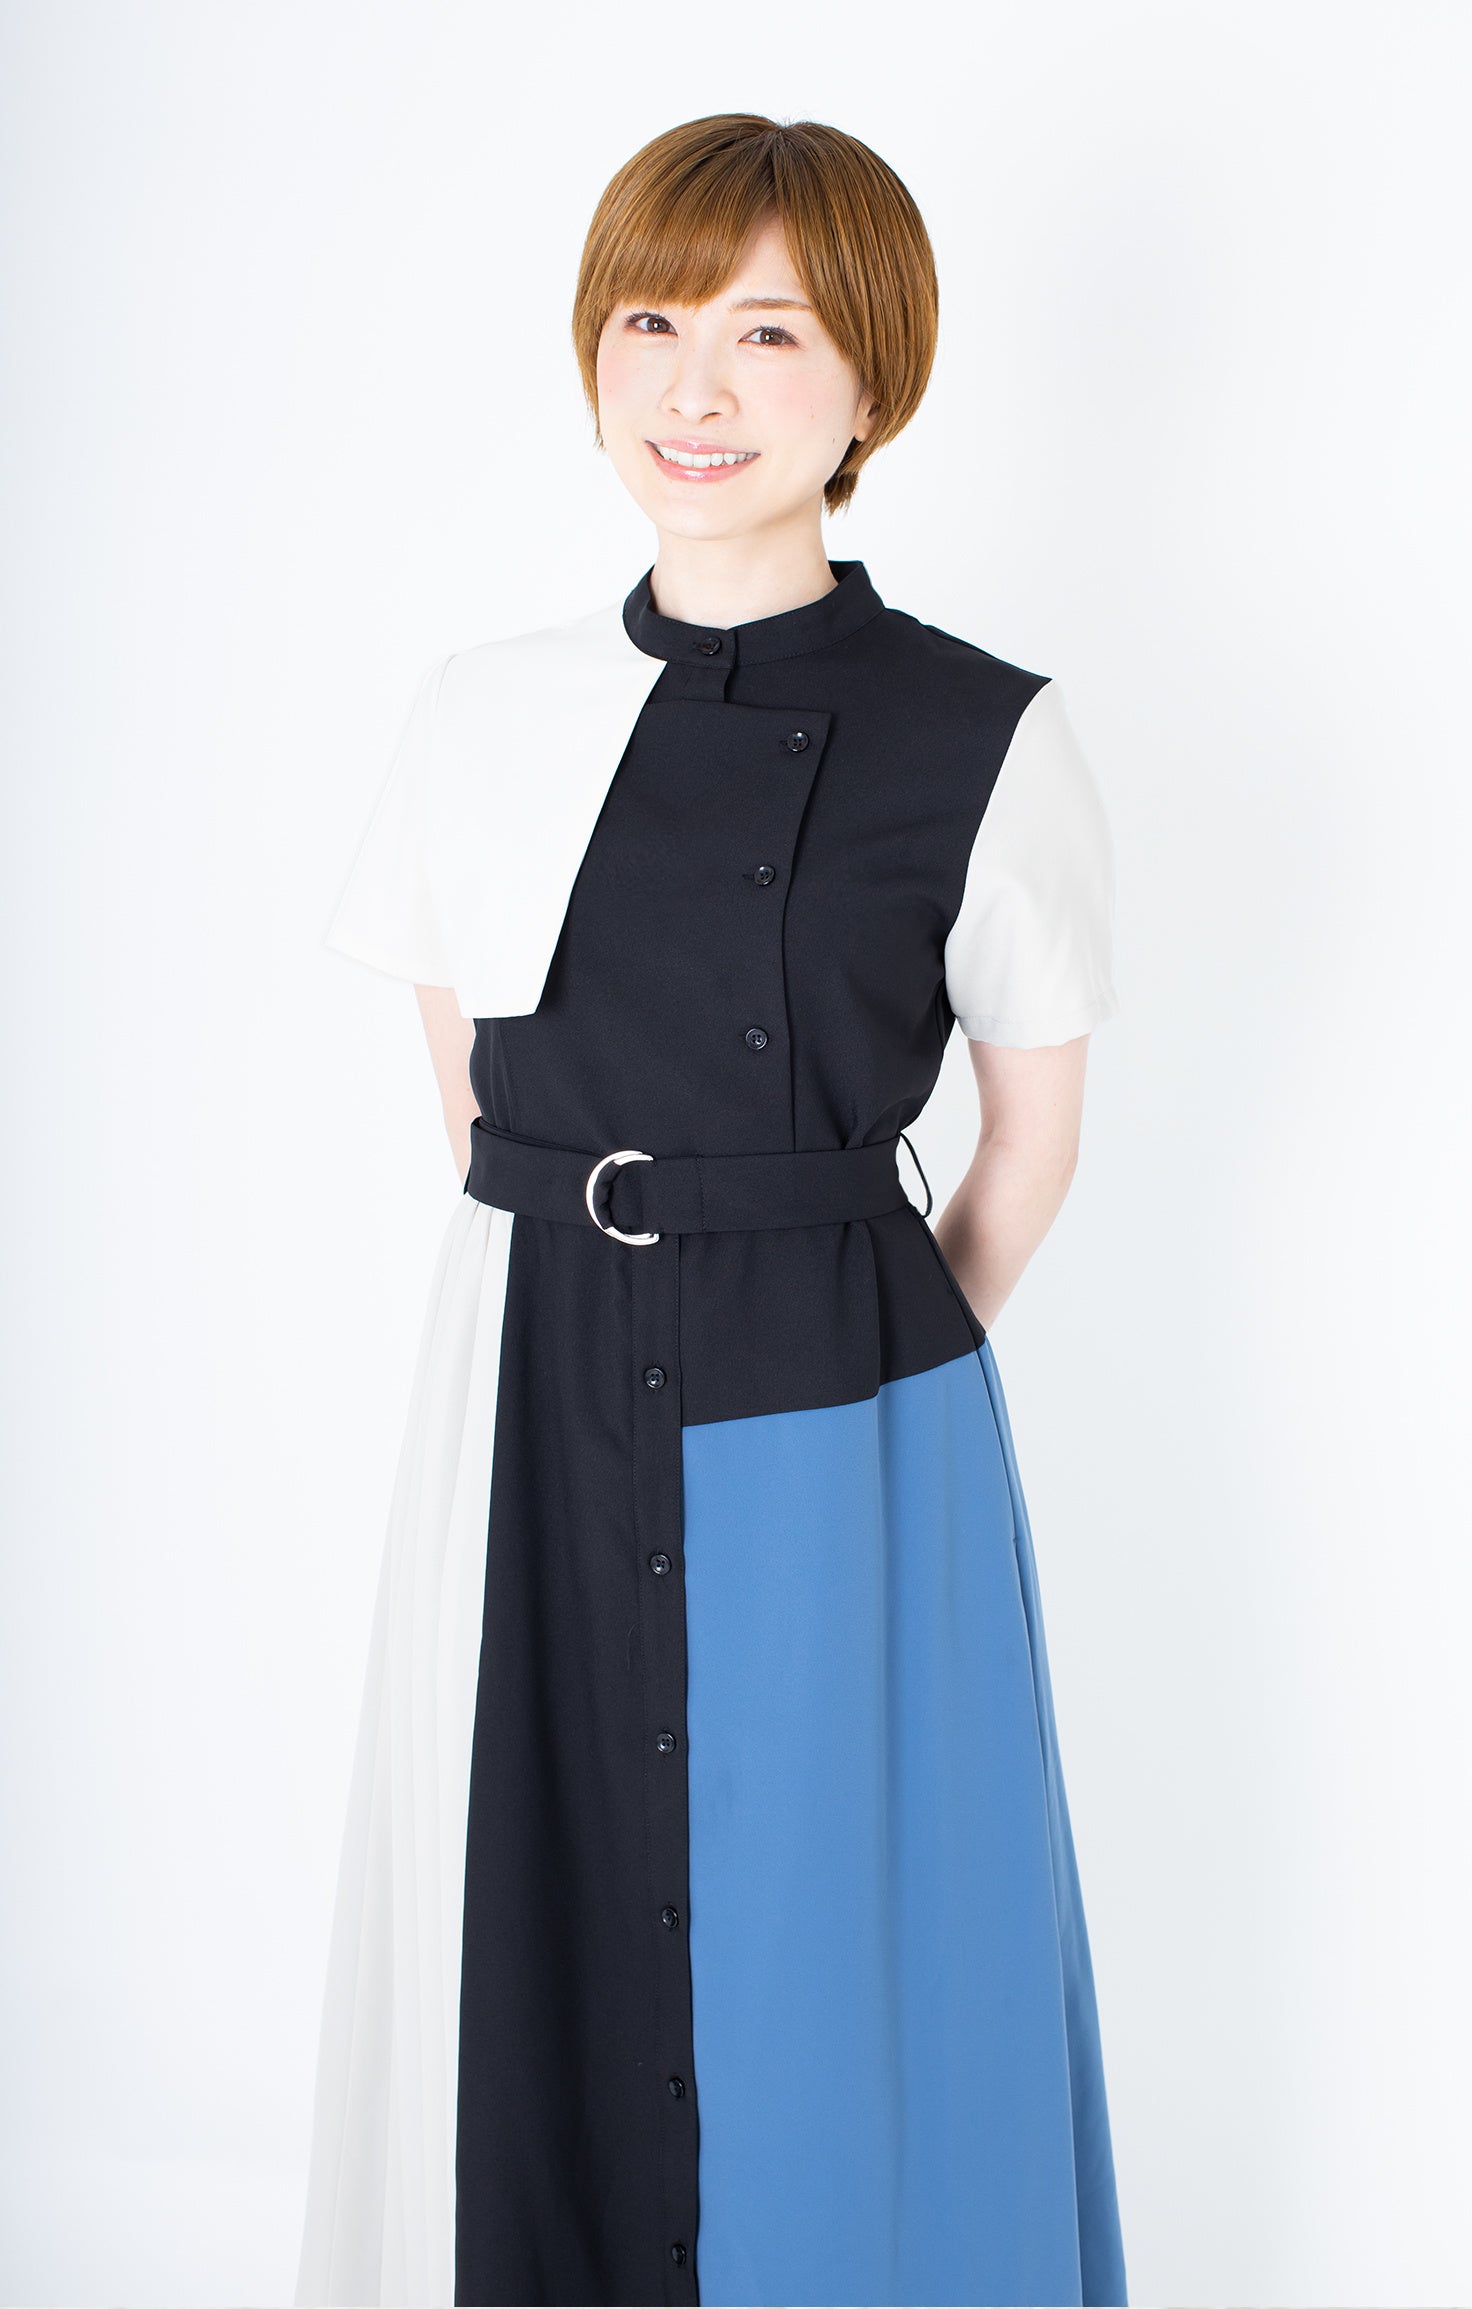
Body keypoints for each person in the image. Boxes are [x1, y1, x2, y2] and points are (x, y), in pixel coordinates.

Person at [294, 111, 1128, 2309]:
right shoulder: (481, 714)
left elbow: (1027, 1149)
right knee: (524, 1890)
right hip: (530, 1373)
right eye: (651, 324)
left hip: (841, 1386)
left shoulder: (987, 734)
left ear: (871, 381)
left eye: (767, 334)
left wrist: (856, 1359)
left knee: (835, 1941)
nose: (694, 386)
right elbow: (474, 1096)